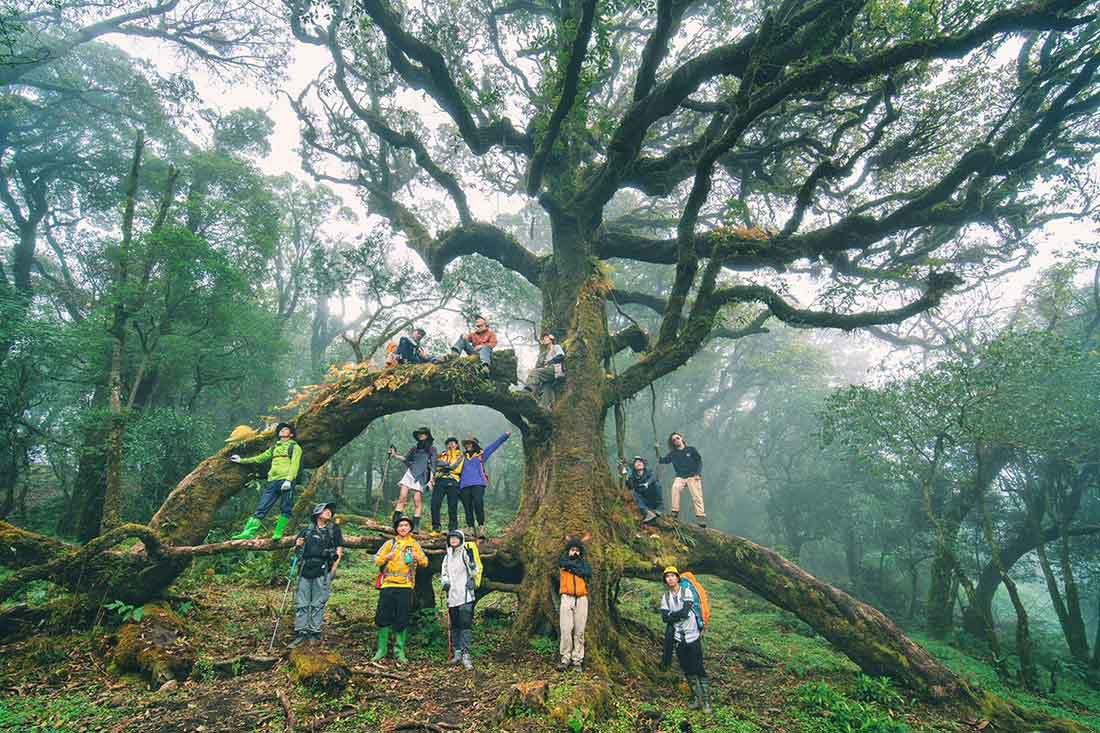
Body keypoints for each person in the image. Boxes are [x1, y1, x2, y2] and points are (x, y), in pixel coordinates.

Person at [229, 422, 302, 540]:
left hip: (286, 481)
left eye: (286, 429)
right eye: (281, 429)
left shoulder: (295, 447)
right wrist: (241, 460)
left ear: (291, 434)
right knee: (262, 506)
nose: (282, 430)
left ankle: (278, 533)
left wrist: (288, 480)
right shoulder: (274, 448)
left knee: (286, 507)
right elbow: (260, 458)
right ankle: (248, 532)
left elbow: (295, 465)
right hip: (272, 481)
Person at [372, 515, 428, 662]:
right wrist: (386, 557)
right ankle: (381, 650)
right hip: (388, 584)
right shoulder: (389, 544)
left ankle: (399, 651)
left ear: (410, 528)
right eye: (400, 525)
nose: (403, 528)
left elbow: (425, 562)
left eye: (406, 525)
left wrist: (418, 558)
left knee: (402, 617)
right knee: (383, 616)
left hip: (406, 585)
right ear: (396, 529)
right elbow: (376, 560)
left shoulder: (414, 544)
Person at [288, 502, 344, 648]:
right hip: (305, 568)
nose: (329, 512)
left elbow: (338, 550)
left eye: (330, 511)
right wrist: (297, 545)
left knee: (318, 602)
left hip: (323, 569)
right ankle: (301, 632)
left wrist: (333, 571)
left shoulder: (334, 530)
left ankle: (314, 632)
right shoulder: (306, 531)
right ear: (317, 513)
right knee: (302, 602)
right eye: (325, 510)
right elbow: (296, 551)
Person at [660, 566, 711, 712]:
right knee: (686, 668)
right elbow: (664, 618)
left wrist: (673, 615)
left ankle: (706, 702)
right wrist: (677, 615)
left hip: (692, 635)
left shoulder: (686, 591)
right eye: (667, 576)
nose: (670, 579)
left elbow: (685, 611)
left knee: (698, 667)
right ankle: (696, 698)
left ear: (677, 578)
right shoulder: (666, 597)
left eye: (672, 576)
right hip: (678, 637)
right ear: (665, 580)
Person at [439, 529, 483, 670]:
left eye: (456, 538)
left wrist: (472, 571)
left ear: (461, 540)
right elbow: (444, 572)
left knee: (465, 624)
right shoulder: (448, 556)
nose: (453, 540)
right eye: (451, 538)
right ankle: (457, 652)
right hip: (452, 594)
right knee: (455, 624)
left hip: (465, 594)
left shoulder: (465, 552)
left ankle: (466, 654)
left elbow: (475, 569)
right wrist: (445, 582)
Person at [458, 432, 511, 539]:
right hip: (464, 485)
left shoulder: (481, 455)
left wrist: (504, 436)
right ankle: (470, 528)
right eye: (466, 444)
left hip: (478, 483)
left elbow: (494, 446)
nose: (468, 446)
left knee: (478, 503)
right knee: (467, 507)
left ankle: (481, 527)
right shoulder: (461, 457)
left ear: (475, 445)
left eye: (470, 444)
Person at [388, 426, 437, 533]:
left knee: (417, 501)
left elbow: (433, 466)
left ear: (427, 435)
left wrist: (431, 480)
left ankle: (415, 527)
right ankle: (395, 523)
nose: (421, 435)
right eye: (419, 434)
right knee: (402, 497)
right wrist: (395, 455)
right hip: (410, 473)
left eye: (423, 433)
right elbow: (406, 458)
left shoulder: (432, 449)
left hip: (421, 476)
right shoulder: (414, 448)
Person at [656, 432, 705, 528]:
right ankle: (674, 512)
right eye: (673, 440)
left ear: (681, 438)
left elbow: (699, 461)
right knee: (675, 488)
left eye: (677, 438)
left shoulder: (691, 450)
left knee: (697, 496)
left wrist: (698, 474)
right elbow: (661, 460)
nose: (676, 440)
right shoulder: (673, 454)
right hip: (680, 477)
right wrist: (657, 449)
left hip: (692, 476)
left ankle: (701, 517)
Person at [557, 538, 591, 672]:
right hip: (567, 597)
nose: (575, 553)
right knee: (566, 630)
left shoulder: (584, 564)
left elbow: (587, 572)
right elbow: (563, 563)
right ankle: (565, 658)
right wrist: (576, 568)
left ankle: (577, 660)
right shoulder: (563, 561)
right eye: (573, 550)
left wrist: (574, 567)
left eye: (577, 550)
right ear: (568, 551)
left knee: (579, 631)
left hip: (582, 599)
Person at [431, 437, 465, 535]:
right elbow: (435, 465)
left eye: (453, 443)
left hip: (453, 481)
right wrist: (446, 466)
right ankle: (436, 527)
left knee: (452, 505)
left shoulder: (460, 455)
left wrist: (444, 466)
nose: (451, 445)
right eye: (448, 443)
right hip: (440, 480)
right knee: (435, 503)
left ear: (457, 445)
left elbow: (456, 468)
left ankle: (453, 529)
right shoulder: (441, 454)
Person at [524, 333, 564, 405]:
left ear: (551, 338)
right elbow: (538, 367)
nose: (544, 339)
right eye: (543, 339)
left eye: (546, 337)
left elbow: (560, 356)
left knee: (535, 372)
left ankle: (528, 392)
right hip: (547, 375)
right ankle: (544, 408)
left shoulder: (556, 347)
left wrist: (549, 362)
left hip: (554, 369)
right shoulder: (543, 354)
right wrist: (532, 371)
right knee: (546, 391)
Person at [624, 455, 662, 523]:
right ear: (633, 466)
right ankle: (647, 513)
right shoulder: (632, 476)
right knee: (634, 493)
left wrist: (647, 483)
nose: (639, 463)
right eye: (636, 462)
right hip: (643, 501)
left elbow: (653, 478)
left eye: (640, 461)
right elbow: (630, 487)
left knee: (657, 484)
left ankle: (658, 509)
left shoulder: (649, 471)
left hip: (653, 499)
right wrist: (626, 476)